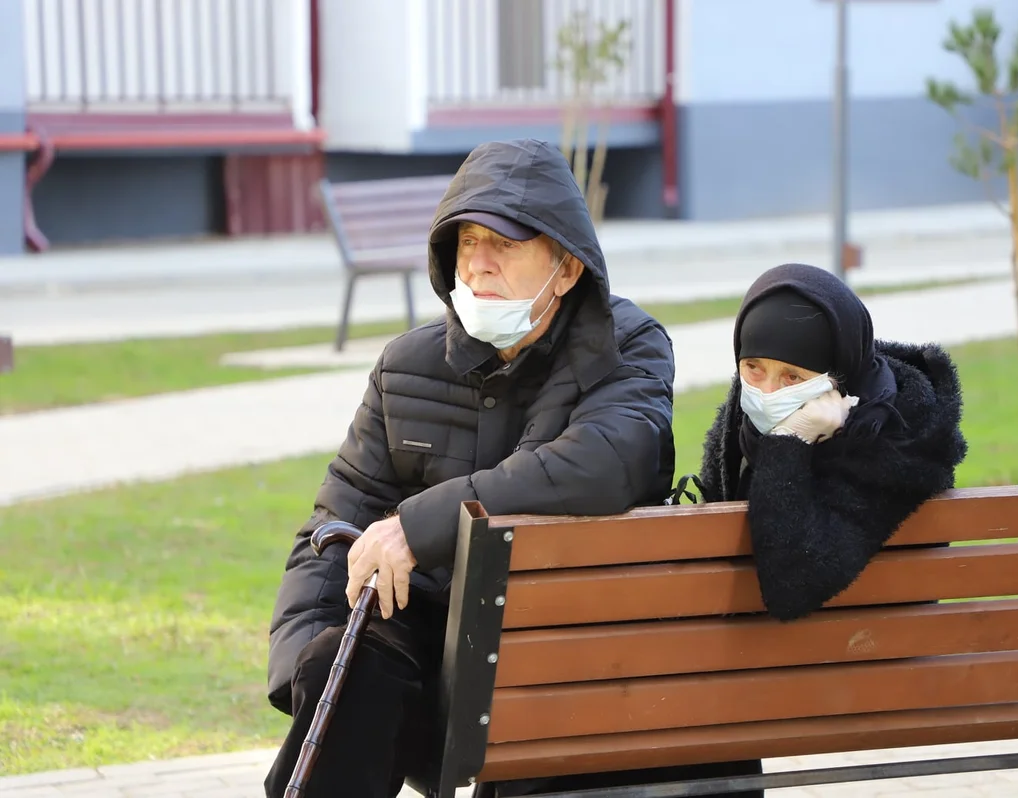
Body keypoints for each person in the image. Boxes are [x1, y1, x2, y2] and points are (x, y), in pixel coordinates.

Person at [263, 139, 753, 798]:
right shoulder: (405, 365)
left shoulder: (629, 346)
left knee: (528, 686)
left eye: (506, 244)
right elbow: (335, 526)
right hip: (425, 661)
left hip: (560, 650)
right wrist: (304, 668)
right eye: (467, 241)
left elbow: (606, 465)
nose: (480, 264)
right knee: (343, 670)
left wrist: (418, 527)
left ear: (568, 268)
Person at [697, 262, 968, 621]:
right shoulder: (739, 419)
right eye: (754, 367)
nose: (767, 393)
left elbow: (791, 585)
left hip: (874, 658)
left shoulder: (897, 441)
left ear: (837, 379)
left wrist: (791, 439)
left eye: (792, 376)